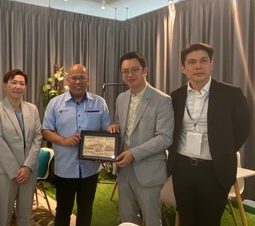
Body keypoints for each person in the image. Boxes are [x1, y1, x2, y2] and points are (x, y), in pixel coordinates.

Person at [168, 43, 251, 226]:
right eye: (192, 62)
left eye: (203, 61)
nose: (198, 66)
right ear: (183, 68)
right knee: (187, 220)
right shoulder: (175, 97)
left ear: (211, 64)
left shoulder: (231, 94)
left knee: (210, 221)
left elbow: (243, 127)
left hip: (214, 170)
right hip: (182, 169)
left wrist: (223, 149)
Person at [107, 51, 174, 226]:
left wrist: (133, 154)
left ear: (145, 70)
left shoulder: (162, 100)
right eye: (125, 71)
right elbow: (120, 123)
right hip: (124, 170)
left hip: (149, 170)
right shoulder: (121, 98)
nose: (130, 75)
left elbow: (165, 138)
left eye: (135, 69)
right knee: (127, 218)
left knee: (151, 220)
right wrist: (115, 127)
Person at [42, 64, 110, 226]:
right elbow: (46, 130)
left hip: (90, 169)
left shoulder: (99, 103)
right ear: (67, 80)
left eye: (81, 77)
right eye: (74, 78)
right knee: (63, 210)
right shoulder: (55, 103)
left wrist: (101, 151)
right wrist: (64, 141)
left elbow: (106, 131)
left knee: (86, 210)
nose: (78, 81)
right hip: (65, 169)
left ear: (88, 80)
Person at [0, 69, 42, 226]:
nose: (18, 86)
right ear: (5, 85)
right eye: (14, 82)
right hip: (5, 172)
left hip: (29, 172)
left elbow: (37, 138)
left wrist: (27, 167)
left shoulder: (32, 109)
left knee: (25, 216)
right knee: (3, 217)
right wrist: (16, 171)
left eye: (22, 83)